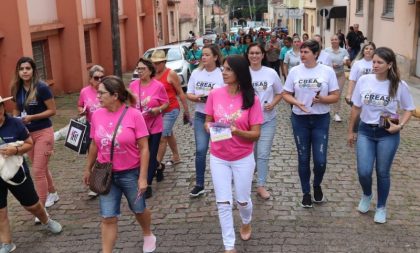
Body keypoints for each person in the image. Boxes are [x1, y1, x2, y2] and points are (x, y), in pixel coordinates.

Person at [83, 76, 156, 253]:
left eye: (101, 93)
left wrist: (143, 177)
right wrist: (88, 168)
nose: (97, 97)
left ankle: (148, 233)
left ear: (115, 95)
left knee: (139, 210)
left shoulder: (134, 115)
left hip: (130, 172)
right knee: (108, 217)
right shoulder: (97, 115)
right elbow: (94, 143)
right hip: (105, 173)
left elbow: (144, 148)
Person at [347, 47, 415, 223]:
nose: (375, 65)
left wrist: (399, 126)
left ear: (389, 64)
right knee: (364, 171)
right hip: (366, 130)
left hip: (387, 133)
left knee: (383, 172)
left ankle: (381, 207)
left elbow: (409, 109)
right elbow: (356, 107)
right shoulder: (364, 80)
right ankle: (367, 194)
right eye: (374, 61)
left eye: (379, 62)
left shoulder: (399, 85)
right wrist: (351, 131)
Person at [205, 55, 263, 252]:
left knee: (242, 200)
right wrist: (209, 127)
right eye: (223, 68)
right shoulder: (214, 94)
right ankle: (229, 246)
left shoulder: (252, 99)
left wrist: (237, 131)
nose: (224, 72)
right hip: (218, 156)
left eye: (228, 69)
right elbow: (207, 119)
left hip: (242, 157)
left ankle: (246, 220)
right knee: (223, 202)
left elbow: (256, 135)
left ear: (239, 73)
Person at [0, 96, 62, 253]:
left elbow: (29, 143)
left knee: (32, 205)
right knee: (0, 211)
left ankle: (46, 220)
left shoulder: (14, 123)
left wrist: (15, 150)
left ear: (2, 108)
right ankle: (7, 243)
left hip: (16, 171)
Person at [282, 40, 339, 208]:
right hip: (300, 119)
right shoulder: (294, 71)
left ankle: (317, 185)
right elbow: (286, 93)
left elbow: (335, 96)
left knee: (320, 161)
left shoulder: (327, 71)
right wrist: (296, 103)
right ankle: (306, 192)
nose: (302, 55)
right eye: (301, 51)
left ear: (316, 54)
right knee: (303, 157)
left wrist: (322, 99)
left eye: (306, 52)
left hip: (321, 119)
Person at [10, 57, 59, 220]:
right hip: (27, 135)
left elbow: (52, 111)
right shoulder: (17, 88)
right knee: (42, 168)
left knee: (37, 171)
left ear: (33, 71)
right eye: (21, 69)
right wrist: (15, 123)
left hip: (44, 132)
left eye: (27, 68)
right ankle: (53, 193)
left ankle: (42, 209)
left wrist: (32, 117)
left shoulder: (42, 87)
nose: (24, 71)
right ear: (18, 71)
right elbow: (16, 109)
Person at [186, 44, 224, 198]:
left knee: (220, 150)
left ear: (215, 57)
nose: (203, 57)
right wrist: (198, 98)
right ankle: (199, 184)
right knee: (201, 150)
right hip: (201, 115)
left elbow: (229, 93)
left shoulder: (222, 73)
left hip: (218, 117)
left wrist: (214, 99)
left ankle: (223, 182)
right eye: (202, 55)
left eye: (207, 55)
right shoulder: (196, 73)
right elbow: (189, 93)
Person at [129, 58, 169, 199]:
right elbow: (128, 104)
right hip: (138, 127)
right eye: (138, 69)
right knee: (140, 156)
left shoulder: (158, 86)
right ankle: (158, 167)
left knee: (151, 155)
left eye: (142, 69)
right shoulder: (133, 86)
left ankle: (148, 184)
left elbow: (166, 103)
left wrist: (157, 110)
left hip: (154, 126)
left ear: (150, 70)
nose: (139, 71)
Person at [247, 43, 283, 199]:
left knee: (262, 153)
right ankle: (248, 177)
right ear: (247, 55)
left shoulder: (271, 73)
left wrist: (272, 104)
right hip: (247, 123)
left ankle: (261, 185)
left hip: (267, 120)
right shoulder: (242, 73)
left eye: (257, 53)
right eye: (252, 53)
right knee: (251, 154)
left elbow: (280, 93)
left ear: (263, 55)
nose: (254, 56)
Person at [150, 50, 190, 172]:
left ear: (164, 62)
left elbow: (180, 92)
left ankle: (155, 165)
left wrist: (186, 110)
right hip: (158, 111)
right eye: (154, 63)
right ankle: (176, 156)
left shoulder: (171, 74)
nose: (155, 65)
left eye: (158, 63)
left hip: (171, 109)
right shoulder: (152, 75)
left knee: (163, 137)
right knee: (168, 132)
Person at [78, 64, 105, 197]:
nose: (99, 80)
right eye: (96, 77)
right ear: (90, 79)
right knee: (93, 155)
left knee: (104, 154)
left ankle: (104, 180)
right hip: (91, 126)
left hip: (107, 126)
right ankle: (95, 184)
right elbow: (80, 105)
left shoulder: (107, 90)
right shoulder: (84, 91)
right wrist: (81, 111)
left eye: (102, 77)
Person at [325, 34, 350, 122]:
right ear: (330, 41)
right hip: (329, 75)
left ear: (339, 41)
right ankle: (326, 111)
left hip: (340, 75)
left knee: (337, 94)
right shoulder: (326, 51)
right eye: (332, 39)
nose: (334, 41)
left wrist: (345, 62)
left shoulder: (344, 51)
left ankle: (336, 113)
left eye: (336, 39)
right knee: (327, 93)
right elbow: (323, 62)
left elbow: (348, 62)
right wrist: (331, 65)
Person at [345, 42, 377, 107]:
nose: (368, 50)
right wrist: (349, 94)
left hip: (372, 93)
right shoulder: (357, 63)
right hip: (358, 93)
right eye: (366, 48)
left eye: (371, 49)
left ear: (374, 51)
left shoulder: (376, 63)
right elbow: (352, 80)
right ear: (363, 51)